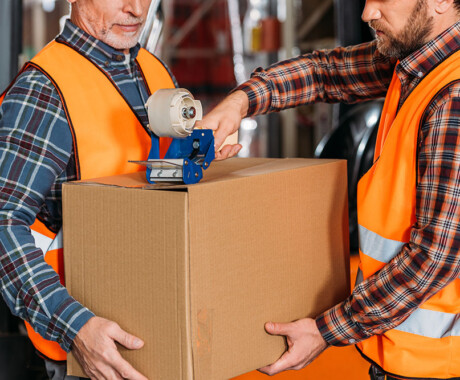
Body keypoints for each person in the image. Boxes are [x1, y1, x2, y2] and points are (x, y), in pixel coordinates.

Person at [199, 0, 460, 379]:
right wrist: (238, 104)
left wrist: (326, 329)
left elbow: (434, 258)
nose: (367, 13)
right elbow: (325, 73)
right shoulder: (416, 65)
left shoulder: (453, 97)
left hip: (440, 365)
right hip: (404, 353)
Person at [0, 1, 177, 379]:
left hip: (162, 324)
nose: (136, 10)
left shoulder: (155, 71)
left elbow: (160, 185)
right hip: (86, 350)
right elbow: (3, 223)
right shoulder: (43, 89)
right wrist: (74, 326)